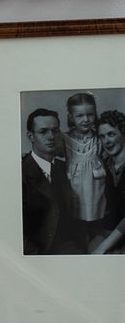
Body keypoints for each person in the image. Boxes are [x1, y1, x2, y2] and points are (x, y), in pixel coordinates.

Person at [21, 109, 81, 254]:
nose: (51, 136)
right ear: (31, 136)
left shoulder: (63, 168)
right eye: (43, 131)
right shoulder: (20, 173)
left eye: (55, 130)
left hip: (71, 250)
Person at [63, 92, 108, 242]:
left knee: (97, 219)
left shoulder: (99, 138)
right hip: (75, 186)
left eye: (90, 114)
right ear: (71, 117)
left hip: (96, 187)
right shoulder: (65, 139)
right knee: (77, 220)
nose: (86, 119)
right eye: (80, 115)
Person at [91, 110, 125, 254]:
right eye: (102, 136)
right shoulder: (103, 166)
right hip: (110, 233)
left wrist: (103, 247)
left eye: (111, 134)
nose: (106, 141)